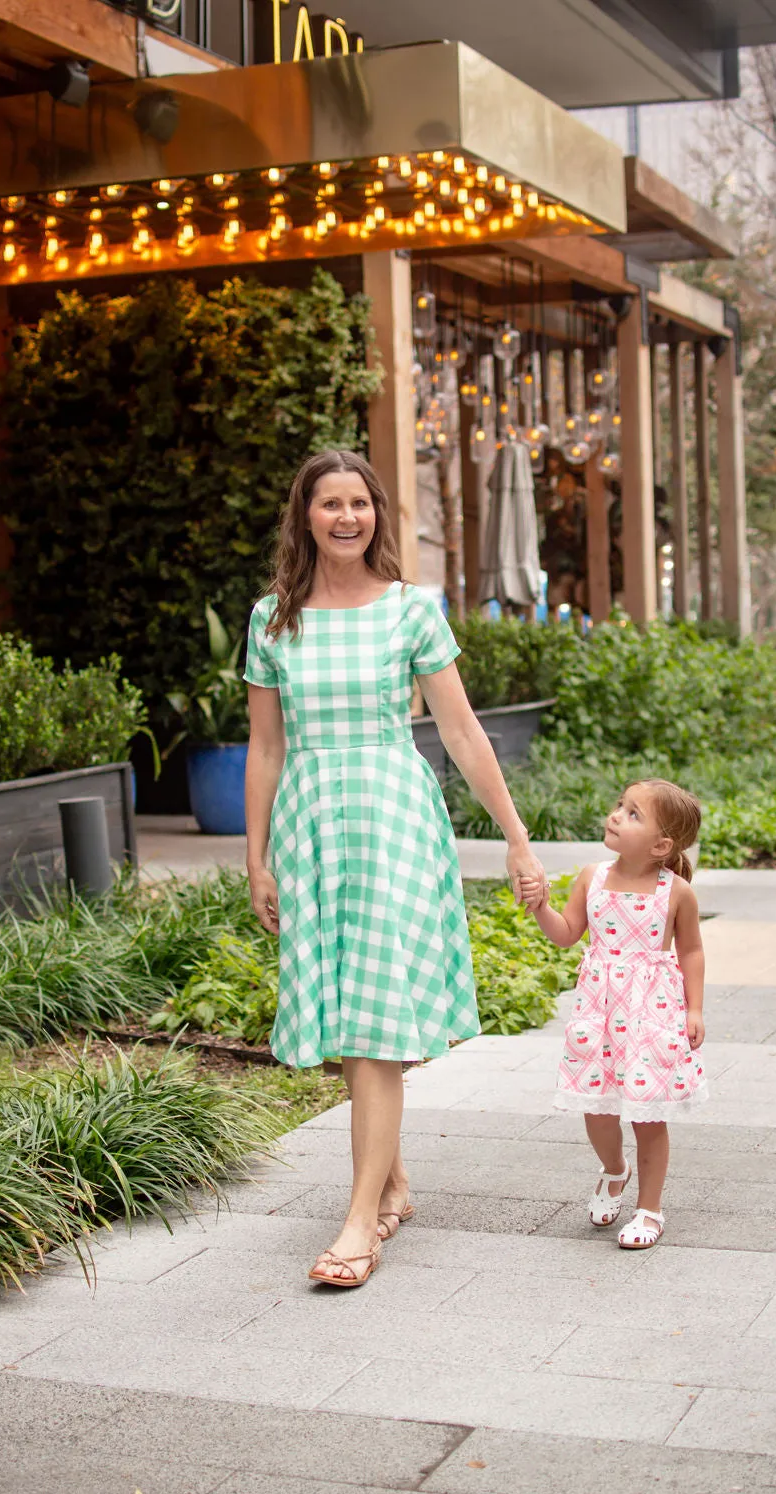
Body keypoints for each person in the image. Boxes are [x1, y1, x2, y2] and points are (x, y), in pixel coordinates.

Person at [244, 449, 547, 1288]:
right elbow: (265, 747)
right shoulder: (274, 618)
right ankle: (392, 1180)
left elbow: (461, 733)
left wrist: (517, 838)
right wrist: (256, 857)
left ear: (378, 514)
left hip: (392, 819)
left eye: (360, 504)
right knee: (349, 1012)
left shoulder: (411, 612)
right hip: (311, 824)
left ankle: (356, 1224)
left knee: (374, 1020)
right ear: (304, 517)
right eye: (329, 504)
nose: (347, 518)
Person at [527, 779, 707, 1250]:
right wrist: (540, 906)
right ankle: (614, 1170)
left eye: (632, 814)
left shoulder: (677, 892)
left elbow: (691, 952)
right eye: (619, 807)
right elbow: (567, 934)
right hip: (599, 1012)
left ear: (661, 844)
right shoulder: (593, 877)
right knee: (597, 1108)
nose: (615, 815)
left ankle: (650, 1209)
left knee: (648, 1116)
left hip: (652, 1014)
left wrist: (695, 1009)